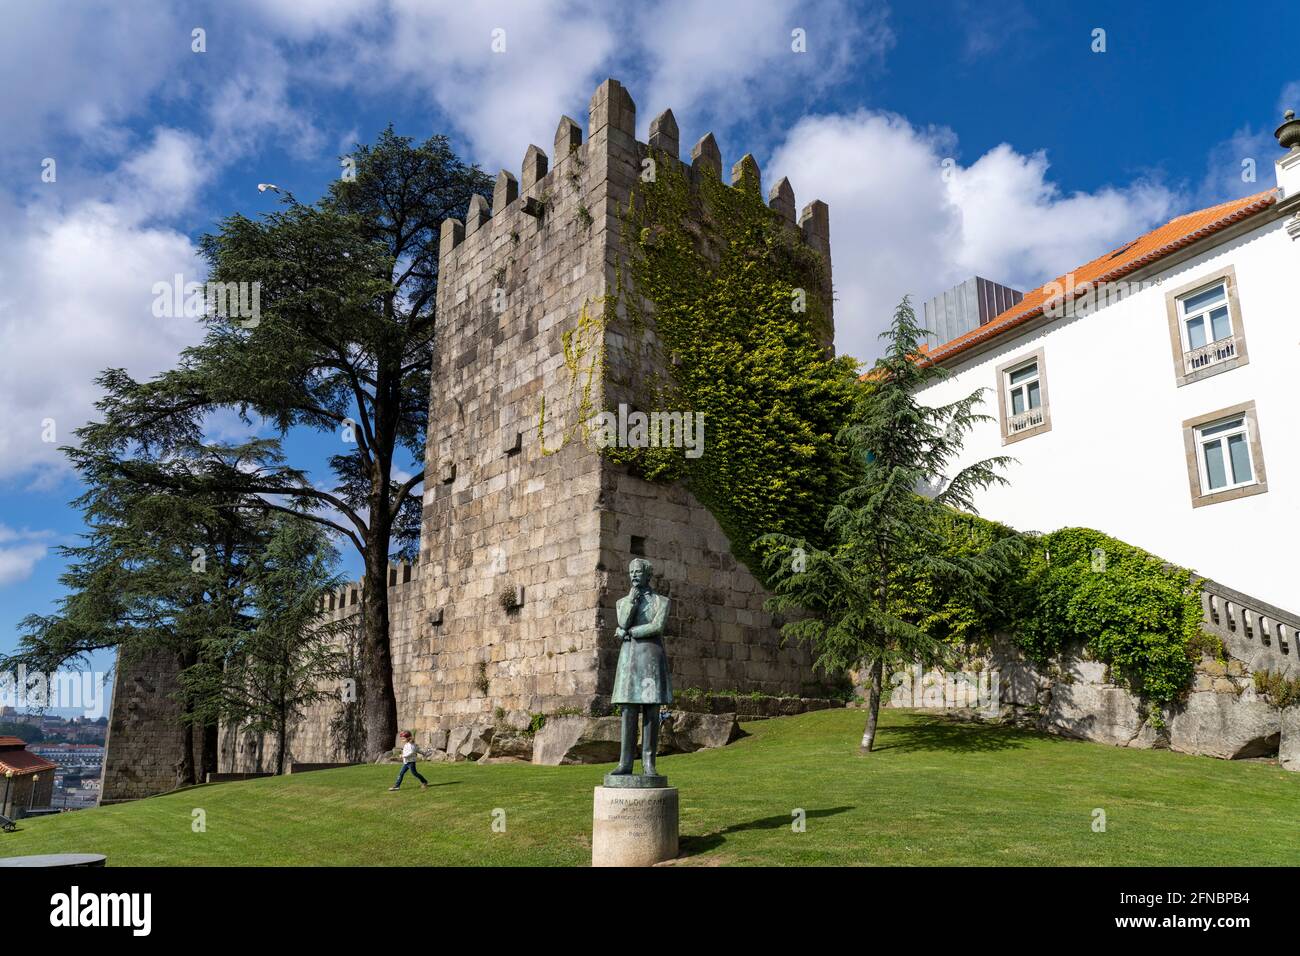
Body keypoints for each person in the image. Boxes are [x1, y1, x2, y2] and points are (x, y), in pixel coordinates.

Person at [610, 557, 673, 778]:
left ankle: (648, 762)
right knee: (628, 708)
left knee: (651, 710)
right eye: (631, 572)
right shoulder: (621, 603)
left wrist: (629, 633)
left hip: (651, 658)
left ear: (648, 575)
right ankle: (625, 763)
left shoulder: (662, 602)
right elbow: (623, 621)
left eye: (638, 572)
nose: (634, 575)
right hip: (630, 658)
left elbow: (657, 626)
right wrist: (632, 600)